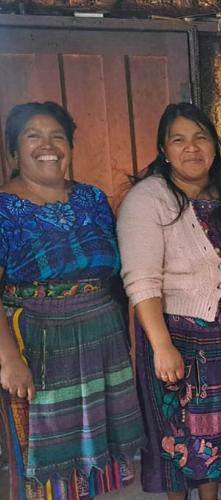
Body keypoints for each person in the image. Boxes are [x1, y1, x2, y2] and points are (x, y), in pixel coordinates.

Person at [0, 102, 144, 499]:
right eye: (34, 136)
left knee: (96, 455)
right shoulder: (3, 209)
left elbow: (115, 271)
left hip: (100, 335)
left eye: (57, 136)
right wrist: (9, 359)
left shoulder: (92, 199)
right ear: (13, 151)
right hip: (38, 344)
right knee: (43, 460)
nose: (48, 146)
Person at [117, 103, 221, 500]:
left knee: (216, 437)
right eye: (178, 140)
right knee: (179, 439)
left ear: (215, 146)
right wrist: (162, 346)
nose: (191, 148)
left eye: (200, 138)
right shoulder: (148, 200)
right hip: (176, 340)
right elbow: (141, 279)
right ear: (163, 149)